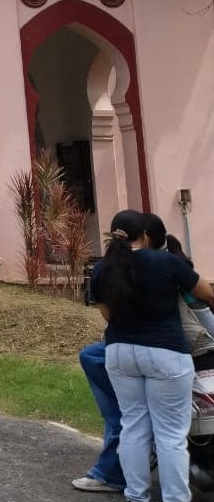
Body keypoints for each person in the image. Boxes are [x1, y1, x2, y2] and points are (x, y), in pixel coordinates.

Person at [90, 210, 214, 502]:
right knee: (170, 434)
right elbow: (204, 291)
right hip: (166, 353)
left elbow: (107, 314)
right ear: (145, 236)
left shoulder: (102, 269)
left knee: (133, 426)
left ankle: (137, 495)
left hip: (119, 353)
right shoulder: (165, 261)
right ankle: (175, 498)